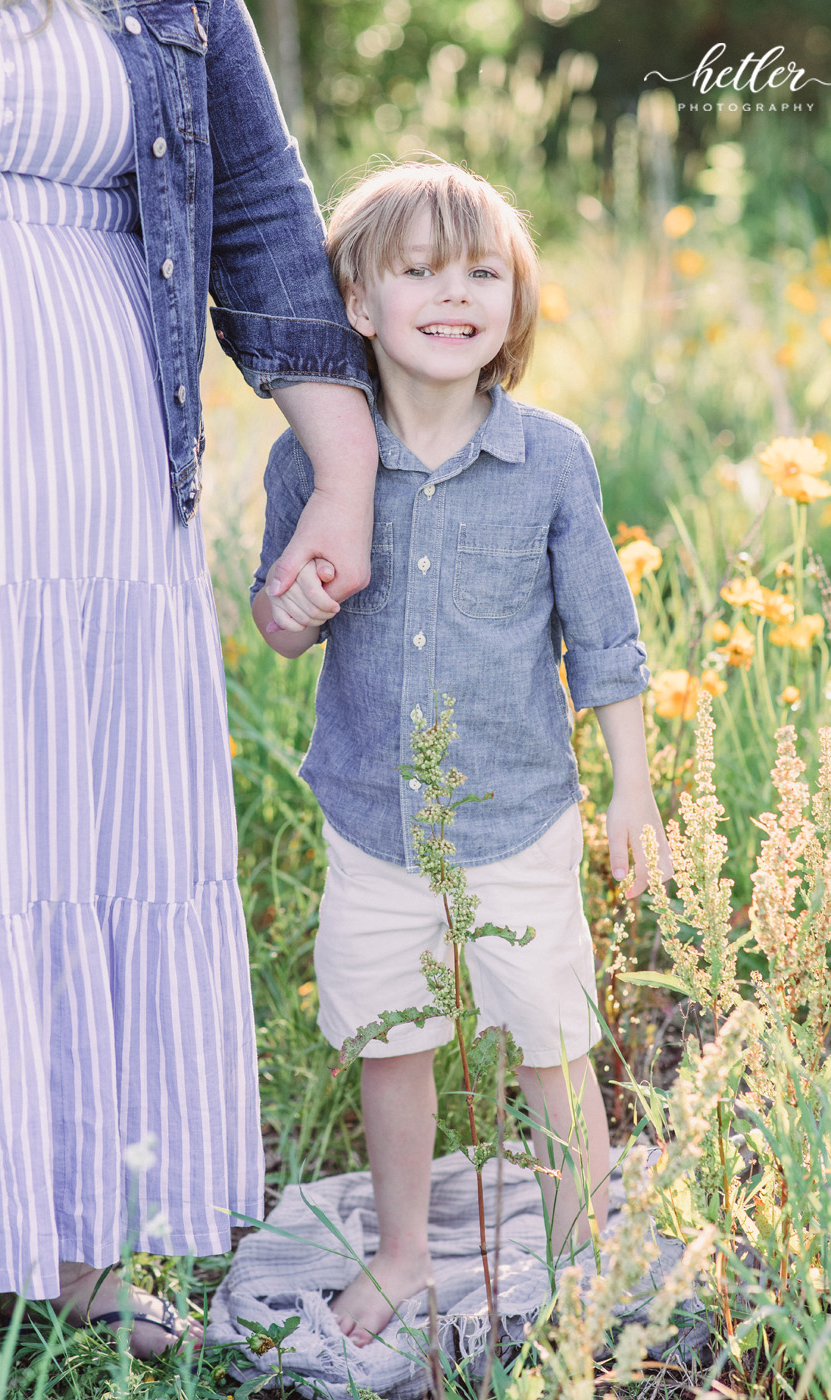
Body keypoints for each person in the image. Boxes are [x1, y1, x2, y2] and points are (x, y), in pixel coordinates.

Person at [0, 0, 376, 1392]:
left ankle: (75, 1255)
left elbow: (263, 211)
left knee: (82, 831)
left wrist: (341, 475)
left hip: (91, 466)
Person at [250, 160, 675, 1346]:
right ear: (357, 301)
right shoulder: (313, 458)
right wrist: (291, 611)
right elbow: (276, 617)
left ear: (515, 301)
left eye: (483, 270)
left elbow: (603, 637)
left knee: (550, 1038)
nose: (456, 292)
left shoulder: (551, 459)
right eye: (420, 269)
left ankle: (587, 1255)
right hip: (371, 814)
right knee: (394, 1040)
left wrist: (630, 786)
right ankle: (399, 1256)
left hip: (518, 811)